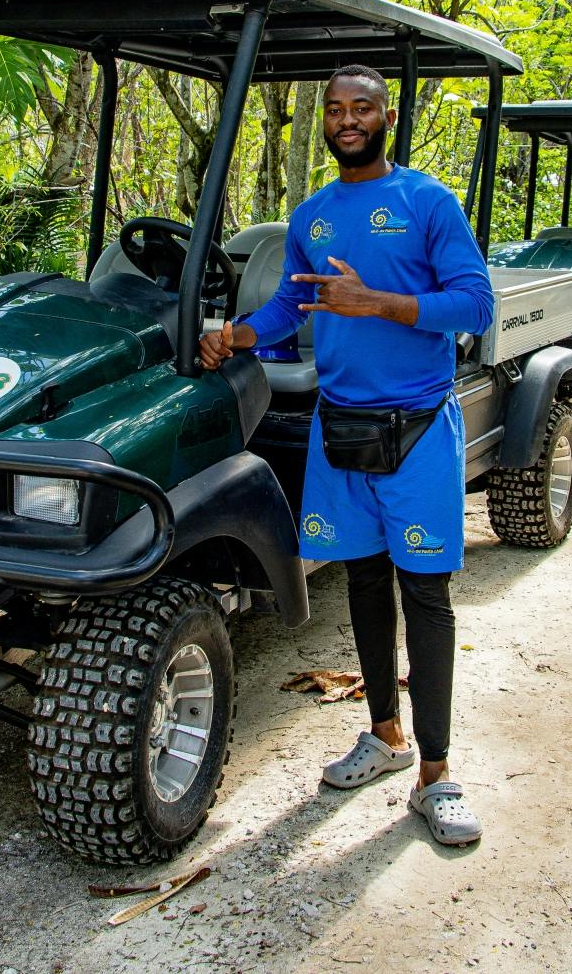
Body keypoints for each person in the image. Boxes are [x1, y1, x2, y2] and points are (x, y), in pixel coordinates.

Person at [198, 64, 494, 846]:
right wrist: (237, 334)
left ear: (387, 116)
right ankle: (386, 735)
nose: (347, 119)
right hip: (340, 429)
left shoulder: (427, 202)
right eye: (334, 109)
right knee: (363, 582)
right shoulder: (313, 215)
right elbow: (291, 303)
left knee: (425, 595)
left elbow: (475, 304)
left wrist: (378, 302)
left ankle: (437, 775)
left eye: (362, 107)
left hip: (418, 428)